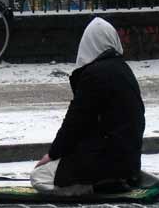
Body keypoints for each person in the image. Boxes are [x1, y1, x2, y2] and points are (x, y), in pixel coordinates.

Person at [31, 17, 145, 195]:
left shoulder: (94, 75)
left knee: (39, 177)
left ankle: (96, 186)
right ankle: (116, 177)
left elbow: (76, 122)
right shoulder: (123, 69)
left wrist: (53, 154)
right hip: (129, 159)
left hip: (106, 157)